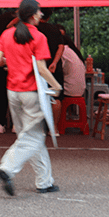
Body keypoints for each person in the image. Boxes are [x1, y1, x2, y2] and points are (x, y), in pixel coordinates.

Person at [0, 0, 61, 197]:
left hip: (12, 92)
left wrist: (13, 60)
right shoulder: (38, 37)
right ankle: (7, 168)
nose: (41, 15)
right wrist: (56, 85)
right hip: (31, 93)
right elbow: (41, 68)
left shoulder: (6, 34)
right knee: (33, 137)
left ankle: (44, 181)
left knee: (29, 137)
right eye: (39, 12)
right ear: (32, 15)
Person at [36, 8, 65, 136]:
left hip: (38, 68)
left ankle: (41, 128)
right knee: (56, 97)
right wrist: (54, 62)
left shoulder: (34, 29)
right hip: (54, 68)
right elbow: (61, 46)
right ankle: (54, 128)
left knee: (38, 97)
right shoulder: (55, 29)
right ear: (48, 17)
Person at [0, 9, 18, 134]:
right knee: (15, 92)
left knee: (4, 92)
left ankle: (2, 123)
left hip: (8, 60)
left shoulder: (3, 19)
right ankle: (11, 123)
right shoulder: (23, 21)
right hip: (15, 62)